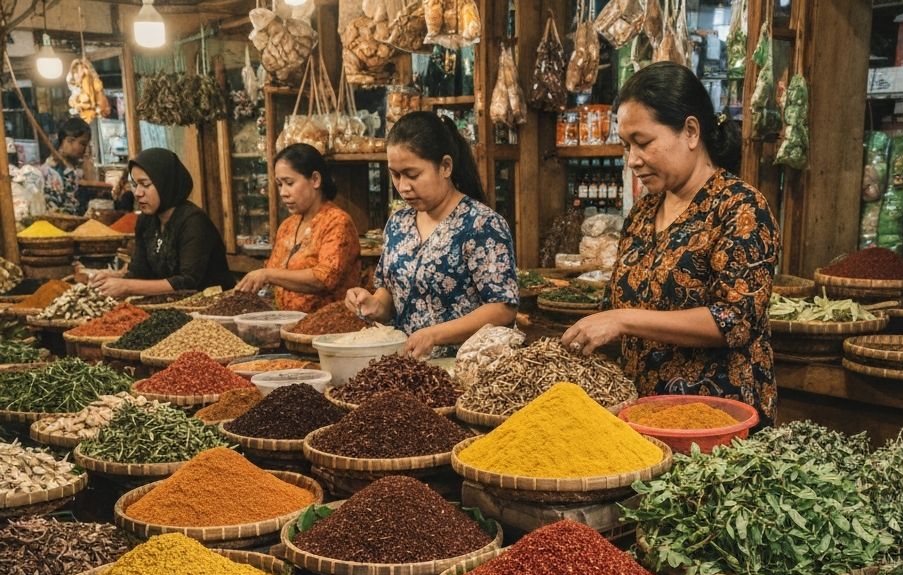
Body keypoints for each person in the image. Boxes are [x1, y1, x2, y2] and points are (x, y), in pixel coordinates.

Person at [560, 62, 780, 425]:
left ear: (691, 131)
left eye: (643, 143)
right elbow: (615, 304)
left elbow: (736, 320)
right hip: (642, 417)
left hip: (717, 424)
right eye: (626, 145)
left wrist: (624, 320)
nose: (633, 160)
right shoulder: (644, 213)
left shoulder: (740, 208)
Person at [345, 111, 518, 358]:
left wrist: (434, 335)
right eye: (395, 175)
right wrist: (373, 304)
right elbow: (389, 294)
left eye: (413, 174)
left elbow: (502, 309)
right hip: (408, 368)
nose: (403, 187)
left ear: (445, 166)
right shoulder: (398, 224)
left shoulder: (482, 225)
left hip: (465, 368)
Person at [93, 148, 234, 298]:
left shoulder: (194, 222)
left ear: (165, 184)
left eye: (145, 184)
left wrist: (127, 286)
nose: (138, 193)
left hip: (211, 306)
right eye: (135, 184)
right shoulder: (146, 221)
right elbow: (139, 271)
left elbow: (187, 282)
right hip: (168, 305)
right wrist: (114, 278)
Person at [237, 143, 360, 313]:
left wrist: (267, 274)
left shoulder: (337, 222)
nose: (283, 192)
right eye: (280, 184)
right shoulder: (287, 226)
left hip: (327, 329)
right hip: (287, 325)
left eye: (289, 183)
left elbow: (324, 278)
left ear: (315, 180)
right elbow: (276, 276)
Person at [41, 117, 90, 214]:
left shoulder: (72, 168)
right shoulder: (53, 171)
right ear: (69, 141)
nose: (85, 149)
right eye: (82, 144)